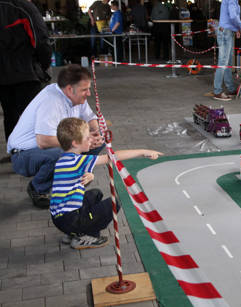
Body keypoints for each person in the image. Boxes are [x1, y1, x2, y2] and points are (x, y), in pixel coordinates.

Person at [51, 117, 163, 249]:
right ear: (75, 143)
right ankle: (85, 236)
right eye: (87, 138)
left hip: (60, 218)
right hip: (70, 220)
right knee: (114, 203)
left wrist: (90, 177)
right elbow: (111, 156)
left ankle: (73, 233)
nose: (91, 140)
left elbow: (70, 184)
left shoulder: (64, 159)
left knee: (95, 194)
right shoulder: (78, 161)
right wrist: (144, 151)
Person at [7, 64, 105, 209]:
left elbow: (90, 118)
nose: (88, 93)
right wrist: (84, 140)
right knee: (62, 153)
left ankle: (73, 178)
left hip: (41, 150)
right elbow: (44, 141)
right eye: (85, 90)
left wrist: (97, 134)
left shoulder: (75, 96)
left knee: (97, 142)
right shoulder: (51, 101)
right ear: (70, 89)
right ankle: (37, 188)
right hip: (23, 155)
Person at [0, 0, 52, 150]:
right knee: (32, 115)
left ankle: (16, 153)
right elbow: (41, 39)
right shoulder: (23, 7)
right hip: (26, 73)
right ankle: (33, 155)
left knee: (10, 115)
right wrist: (43, 65)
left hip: (4, 76)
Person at [212, 0, 241, 102]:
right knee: (223, 62)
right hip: (226, 32)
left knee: (228, 62)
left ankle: (230, 88)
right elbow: (233, 16)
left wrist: (236, 29)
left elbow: (229, 16)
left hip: (227, 31)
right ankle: (217, 91)